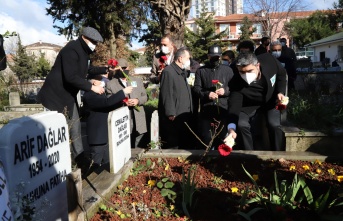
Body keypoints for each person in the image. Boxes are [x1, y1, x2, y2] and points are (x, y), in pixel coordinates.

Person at [37, 27, 105, 169]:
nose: (95, 45)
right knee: (55, 131)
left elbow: (87, 70)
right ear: (84, 38)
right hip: (54, 97)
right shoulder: (71, 50)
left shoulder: (85, 52)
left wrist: (105, 69)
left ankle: (80, 160)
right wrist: (91, 87)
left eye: (96, 42)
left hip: (68, 97)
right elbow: (71, 77)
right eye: (93, 41)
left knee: (75, 127)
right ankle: (55, 163)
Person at [225, 52, 287, 151]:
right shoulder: (235, 81)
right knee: (241, 124)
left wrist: (280, 92)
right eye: (242, 72)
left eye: (250, 71)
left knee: (274, 125)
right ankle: (248, 154)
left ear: (257, 65)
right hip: (248, 104)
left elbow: (281, 74)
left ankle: (278, 154)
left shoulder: (270, 61)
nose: (246, 75)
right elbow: (234, 105)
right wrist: (231, 129)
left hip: (269, 101)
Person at [82, 71, 133, 172]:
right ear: (94, 83)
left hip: (105, 136)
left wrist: (122, 102)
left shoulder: (99, 93)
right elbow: (106, 103)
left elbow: (108, 106)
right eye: (101, 80)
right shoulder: (90, 95)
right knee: (95, 165)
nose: (103, 82)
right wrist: (123, 92)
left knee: (107, 164)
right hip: (97, 138)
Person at [193, 45, 234, 148]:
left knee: (222, 137)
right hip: (207, 109)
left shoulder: (228, 70)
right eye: (212, 57)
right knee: (207, 138)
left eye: (217, 57)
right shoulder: (201, 71)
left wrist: (225, 91)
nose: (215, 59)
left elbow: (234, 87)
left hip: (223, 109)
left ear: (220, 57)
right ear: (208, 56)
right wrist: (207, 94)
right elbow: (196, 88)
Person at [106, 58, 148, 148]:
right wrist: (123, 102)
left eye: (124, 67)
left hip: (139, 118)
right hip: (123, 121)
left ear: (128, 67)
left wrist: (138, 100)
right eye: (120, 68)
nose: (122, 70)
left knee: (139, 145)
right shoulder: (111, 84)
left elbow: (145, 96)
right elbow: (109, 100)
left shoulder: (137, 81)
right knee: (125, 145)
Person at [158, 47, 193, 149]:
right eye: (187, 58)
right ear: (180, 59)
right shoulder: (169, 71)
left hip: (183, 113)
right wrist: (170, 112)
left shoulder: (181, 71)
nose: (189, 61)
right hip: (175, 115)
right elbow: (166, 93)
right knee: (173, 142)